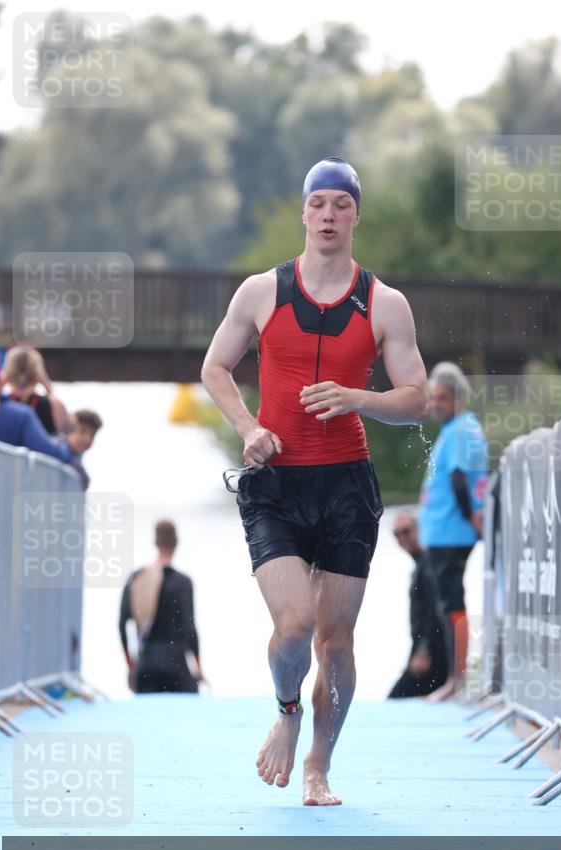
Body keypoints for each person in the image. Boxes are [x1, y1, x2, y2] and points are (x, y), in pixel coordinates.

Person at [202, 155, 428, 806]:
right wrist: (247, 426)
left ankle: (318, 767)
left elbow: (415, 398)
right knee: (296, 625)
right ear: (304, 213)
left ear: (355, 216)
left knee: (336, 645)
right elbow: (215, 368)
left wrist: (358, 398)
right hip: (275, 482)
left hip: (346, 487)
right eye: (319, 203)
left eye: (341, 204)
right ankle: (286, 709)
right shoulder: (260, 292)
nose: (329, 215)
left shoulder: (384, 303)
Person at [418, 362, 488, 701]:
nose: (435, 404)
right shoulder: (456, 429)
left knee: (452, 604)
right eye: (432, 398)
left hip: (452, 532)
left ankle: (457, 681)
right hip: (444, 531)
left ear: (458, 397)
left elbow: (460, 479)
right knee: (447, 605)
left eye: (442, 398)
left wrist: (471, 516)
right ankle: (455, 679)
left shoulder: (460, 430)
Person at [119, 519, 206, 694]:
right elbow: (189, 630)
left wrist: (131, 666)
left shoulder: (136, 578)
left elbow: (121, 625)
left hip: (145, 667)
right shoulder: (182, 582)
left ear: (155, 543)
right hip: (176, 667)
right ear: (176, 543)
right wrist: (198, 668)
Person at [0, 349, 97, 469]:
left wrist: (0, 383)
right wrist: (48, 387)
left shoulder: (4, 409)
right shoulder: (27, 413)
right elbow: (68, 431)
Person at [387, 511, 449, 699]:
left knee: (394, 700)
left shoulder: (429, 564)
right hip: (426, 646)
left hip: (433, 650)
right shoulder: (423, 563)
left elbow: (435, 609)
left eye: (406, 531)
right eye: (396, 534)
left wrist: (424, 649)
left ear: (419, 530)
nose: (401, 537)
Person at [0, 345, 73, 434]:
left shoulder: (0, 405)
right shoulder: (54, 405)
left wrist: (0, 384)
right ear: (38, 375)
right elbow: (67, 433)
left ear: (8, 375)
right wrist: (48, 387)